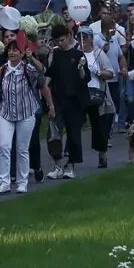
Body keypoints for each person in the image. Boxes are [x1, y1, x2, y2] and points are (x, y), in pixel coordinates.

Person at [0, 39, 43, 195]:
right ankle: (4, 182)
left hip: (26, 113)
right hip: (6, 113)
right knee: (4, 147)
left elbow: (41, 70)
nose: (12, 52)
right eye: (10, 50)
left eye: (15, 50)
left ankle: (22, 182)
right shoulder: (2, 71)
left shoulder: (27, 69)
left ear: (21, 52)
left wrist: (31, 57)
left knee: (22, 149)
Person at [43, 23, 89, 179]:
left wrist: (81, 68)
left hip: (75, 100)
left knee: (73, 133)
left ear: (69, 37)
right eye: (56, 41)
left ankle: (70, 165)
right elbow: (49, 76)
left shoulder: (78, 55)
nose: (59, 44)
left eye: (62, 40)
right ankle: (57, 164)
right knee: (54, 133)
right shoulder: (55, 55)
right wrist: (48, 99)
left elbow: (85, 78)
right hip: (58, 99)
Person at [78, 27, 115, 169]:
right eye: (80, 37)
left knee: (99, 125)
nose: (83, 40)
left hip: (96, 94)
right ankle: (71, 156)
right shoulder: (76, 53)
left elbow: (110, 73)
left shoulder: (98, 54)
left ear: (91, 39)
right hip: (80, 94)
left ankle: (102, 154)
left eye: (85, 37)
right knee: (76, 124)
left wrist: (98, 72)